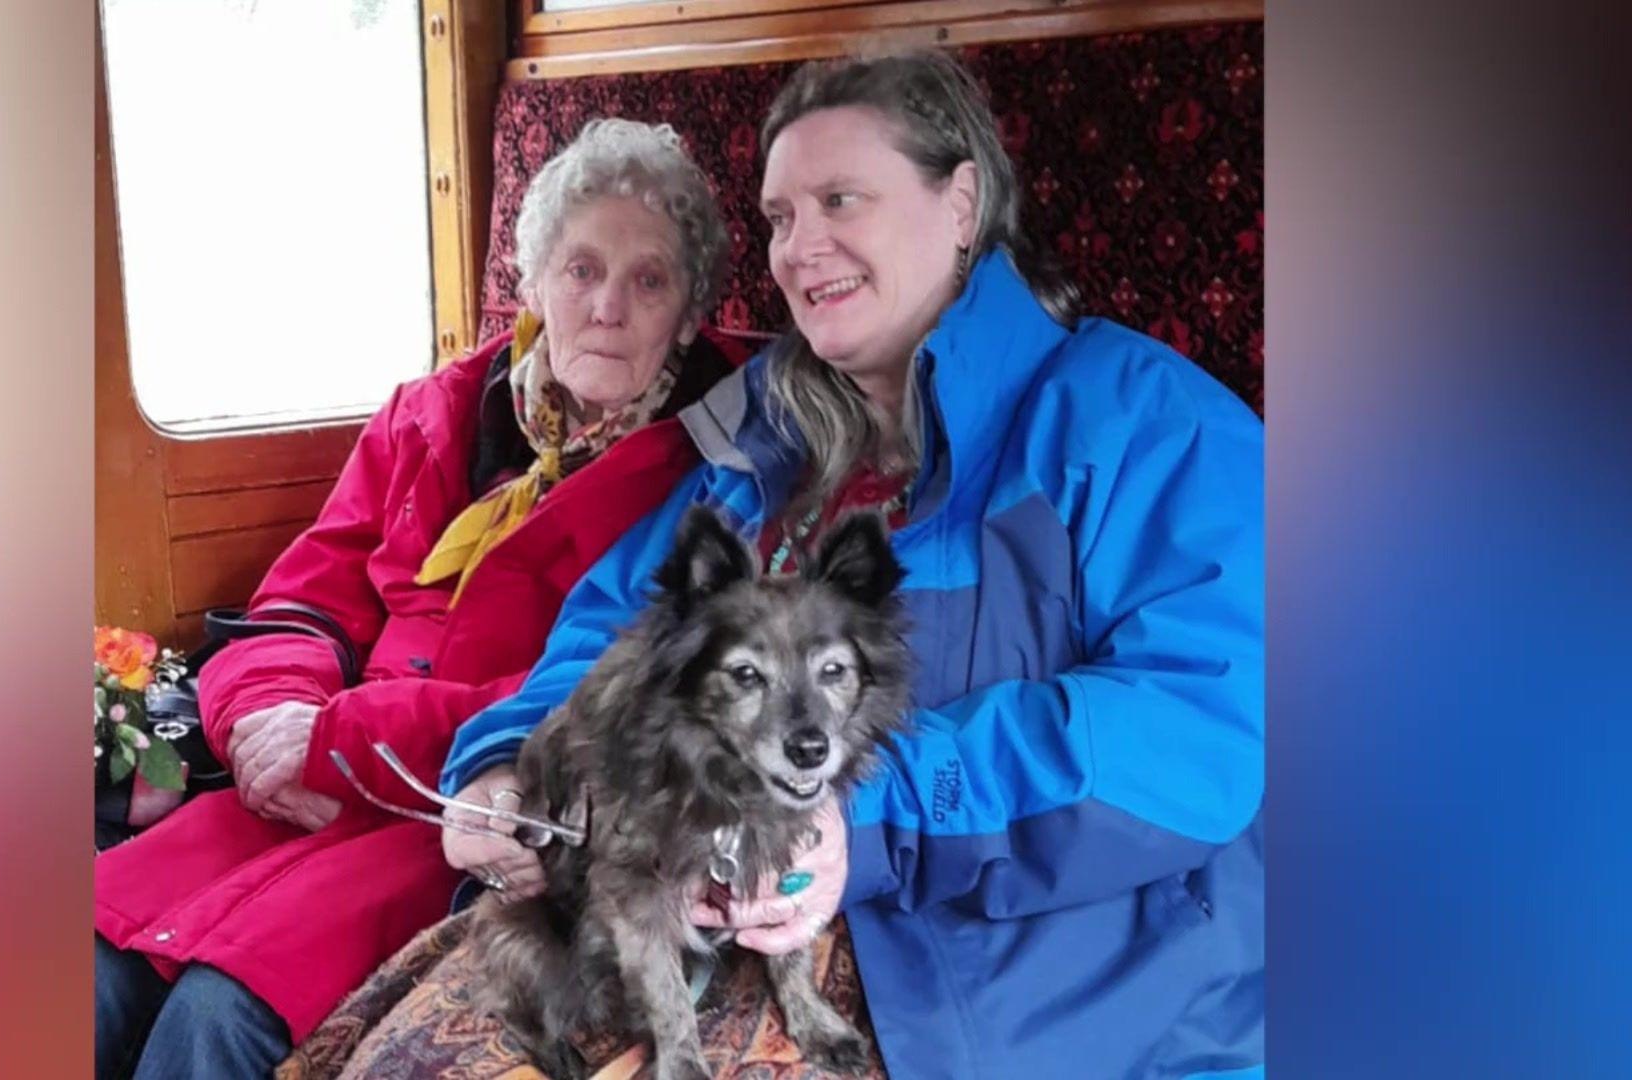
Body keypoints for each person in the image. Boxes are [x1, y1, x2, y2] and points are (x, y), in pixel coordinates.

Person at [294, 50, 1262, 1080]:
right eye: (780, 217)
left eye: (841, 199)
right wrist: (513, 759)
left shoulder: (1148, 423)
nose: (801, 249)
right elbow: (621, 622)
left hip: (1043, 965)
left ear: (963, 200)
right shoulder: (763, 439)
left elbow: (1202, 730)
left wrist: (866, 809)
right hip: (712, 896)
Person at [93, 118, 744, 1080]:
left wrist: (343, 733)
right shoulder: (433, 414)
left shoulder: (709, 472)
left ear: (689, 315)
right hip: (306, 788)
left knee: (216, 1020)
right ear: (534, 283)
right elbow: (304, 600)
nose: (607, 305)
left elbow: (596, 699)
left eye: (648, 281)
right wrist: (267, 713)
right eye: (581, 270)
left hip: (458, 812)